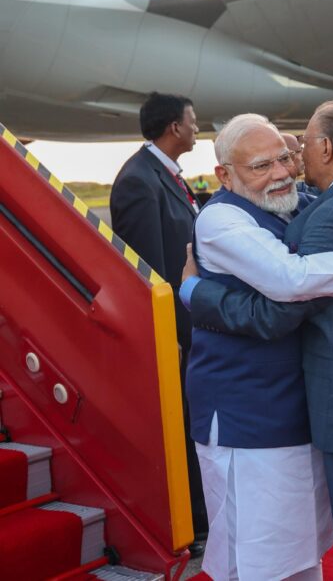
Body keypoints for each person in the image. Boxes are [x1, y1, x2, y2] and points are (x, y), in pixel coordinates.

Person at [185, 100, 333, 580]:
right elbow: (290, 285)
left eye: (284, 156)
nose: (280, 173)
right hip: (248, 415)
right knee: (261, 553)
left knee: (299, 553)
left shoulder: (295, 200)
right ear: (223, 174)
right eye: (261, 166)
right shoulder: (221, 221)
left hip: (296, 408)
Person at [109, 91, 208, 551]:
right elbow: (146, 271)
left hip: (191, 324)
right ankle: (194, 522)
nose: (196, 126)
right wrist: (170, 335)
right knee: (182, 427)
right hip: (173, 331)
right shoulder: (138, 182)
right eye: (192, 121)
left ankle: (203, 514)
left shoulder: (164, 175)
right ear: (174, 128)